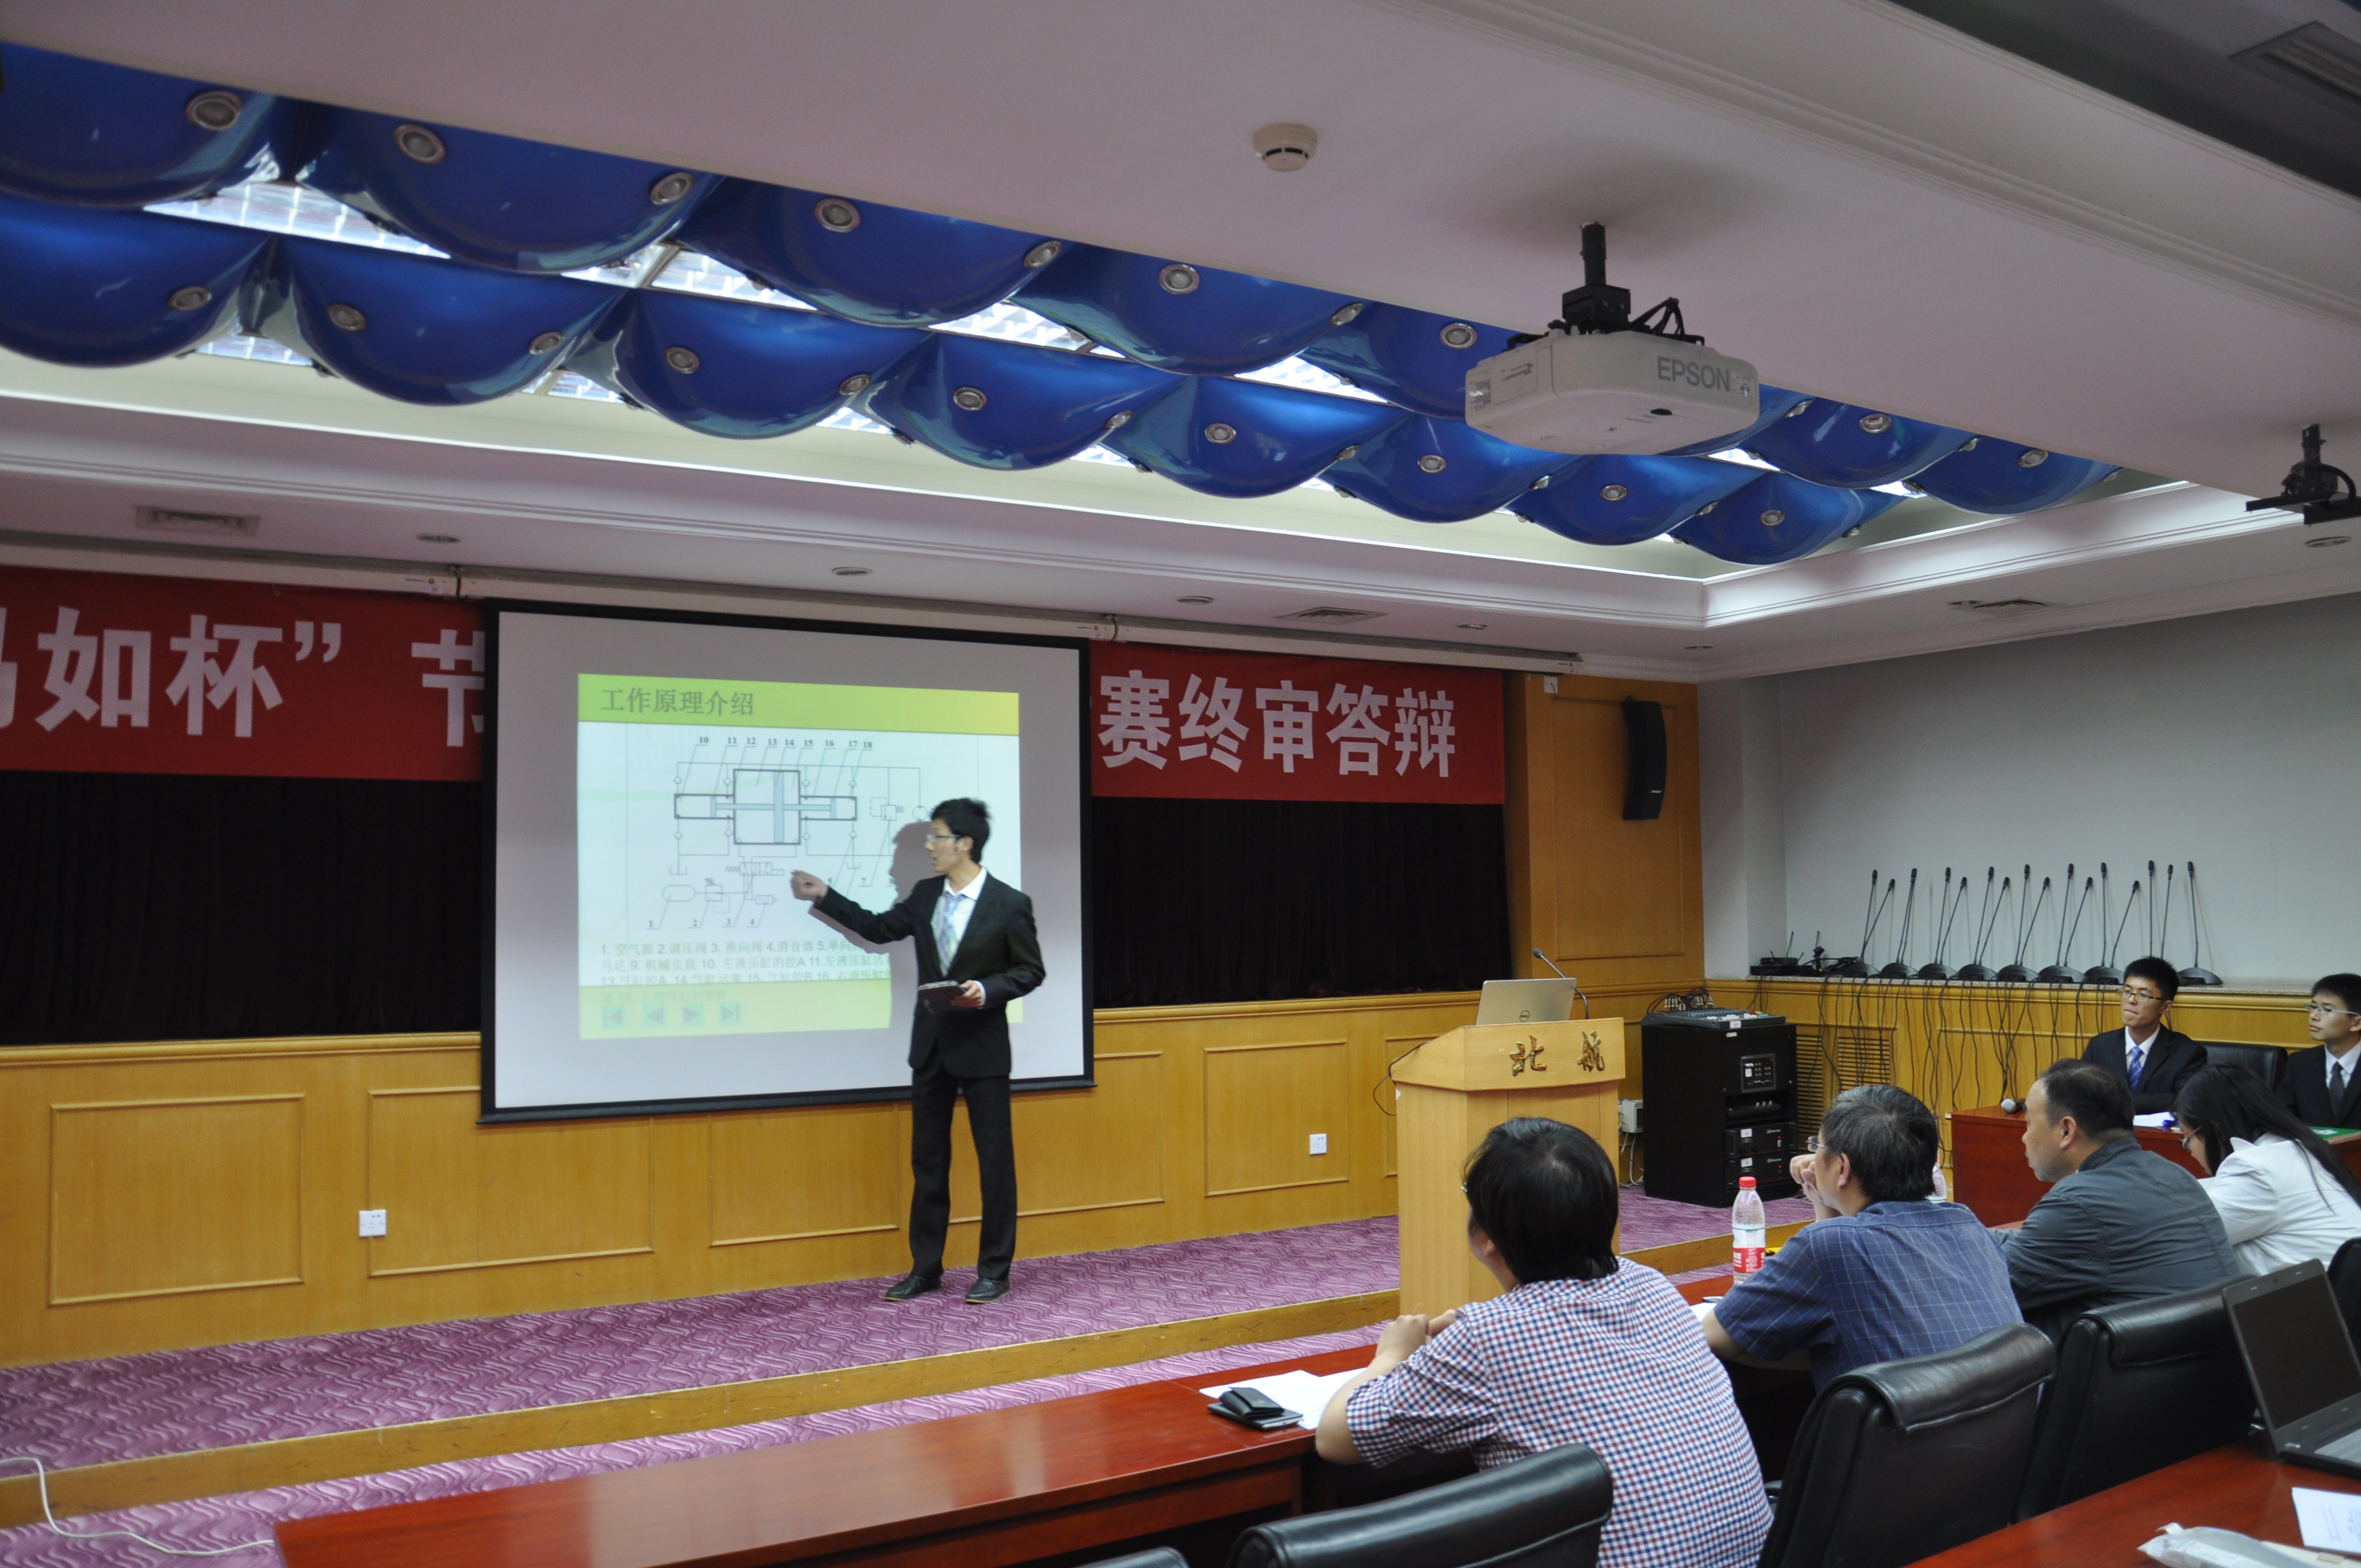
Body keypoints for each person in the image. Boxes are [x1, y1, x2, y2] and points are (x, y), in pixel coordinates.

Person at [1315, 1118, 1771, 1568]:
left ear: (1486, 1238)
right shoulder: (1652, 1285)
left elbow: (1336, 1438)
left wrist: (1392, 1354)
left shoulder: (1486, 1339)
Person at [790, 798, 1042, 1304]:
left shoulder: (1009, 903)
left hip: (983, 1050)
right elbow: (880, 929)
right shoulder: (927, 894)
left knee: (995, 1165)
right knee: (928, 1163)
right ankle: (926, 1269)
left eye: (938, 836)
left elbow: (1029, 970)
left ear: (964, 844)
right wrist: (825, 895)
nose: (930, 846)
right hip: (930, 1048)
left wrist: (986, 990)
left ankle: (994, 1271)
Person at [1703, 1085, 2020, 1386]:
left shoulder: (1828, 1245)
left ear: (1843, 1168)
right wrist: (1824, 1203)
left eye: (1818, 1148)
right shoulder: (1968, 1225)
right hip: (2004, 1422)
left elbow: (1716, 1334)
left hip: (1901, 1425)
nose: (1813, 1158)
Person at [1996, 1059, 2239, 1340]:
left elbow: (1990, 1286)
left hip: (2143, 1362)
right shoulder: (2172, 1174)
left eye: (2028, 1123)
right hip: (2206, 1355)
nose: (2024, 1138)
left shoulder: (2078, 1203)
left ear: (2066, 1130)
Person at [2174, 1063, 2361, 1275]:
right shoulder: (2300, 1149)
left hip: (2324, 1293)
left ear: (2215, 1129)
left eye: (2187, 1139)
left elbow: (2185, 1238)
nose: (2189, 1151)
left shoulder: (2255, 1169)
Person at [2081, 957, 2205, 1114]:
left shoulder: (2187, 1053)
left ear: (2165, 1007)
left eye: (2144, 995)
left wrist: (2110, 1099)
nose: (2131, 1000)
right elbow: (2081, 1096)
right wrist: (2162, 1099)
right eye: (2127, 991)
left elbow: (2184, 1104)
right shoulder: (2100, 1046)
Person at [2278, 974, 2361, 1131]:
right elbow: (2283, 1120)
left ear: (2357, 1023)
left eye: (2326, 1010)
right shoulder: (2300, 1063)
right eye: (2314, 1007)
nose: (2314, 1016)